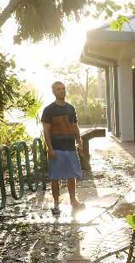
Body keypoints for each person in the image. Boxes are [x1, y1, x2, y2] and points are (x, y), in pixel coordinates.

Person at [42, 81, 84, 216]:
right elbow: (46, 131)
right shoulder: (49, 110)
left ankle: (73, 200)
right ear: (54, 92)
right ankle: (56, 204)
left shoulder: (71, 108)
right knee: (56, 177)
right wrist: (50, 149)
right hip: (57, 148)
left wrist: (79, 141)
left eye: (63, 89)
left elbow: (75, 126)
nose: (62, 91)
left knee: (72, 176)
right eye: (59, 89)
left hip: (70, 147)